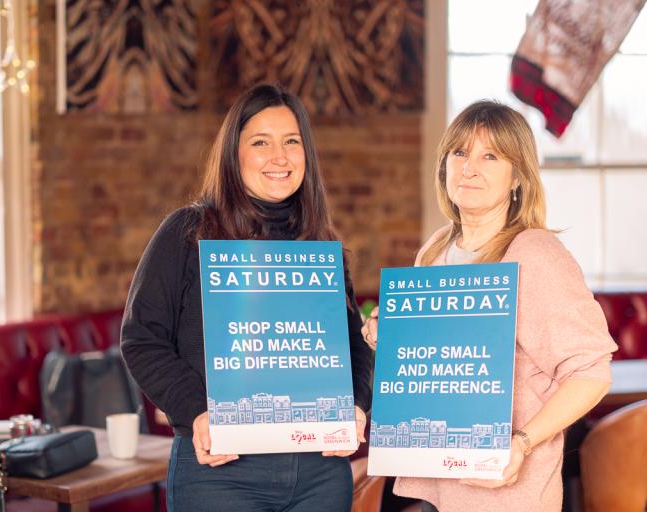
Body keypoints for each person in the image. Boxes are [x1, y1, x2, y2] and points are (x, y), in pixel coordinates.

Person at [121, 83, 373, 512]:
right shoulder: (188, 232)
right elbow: (142, 338)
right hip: (221, 473)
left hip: (320, 476)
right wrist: (196, 411)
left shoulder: (320, 245)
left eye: (292, 142)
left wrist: (356, 404)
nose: (280, 156)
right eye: (261, 142)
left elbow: (352, 346)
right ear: (233, 156)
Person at [361, 100, 617, 512]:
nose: (469, 167)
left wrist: (523, 442)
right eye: (459, 152)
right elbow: (436, 358)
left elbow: (591, 373)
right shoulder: (436, 249)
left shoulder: (535, 254)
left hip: (511, 495)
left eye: (490, 156)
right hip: (442, 488)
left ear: (518, 177)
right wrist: (392, 335)